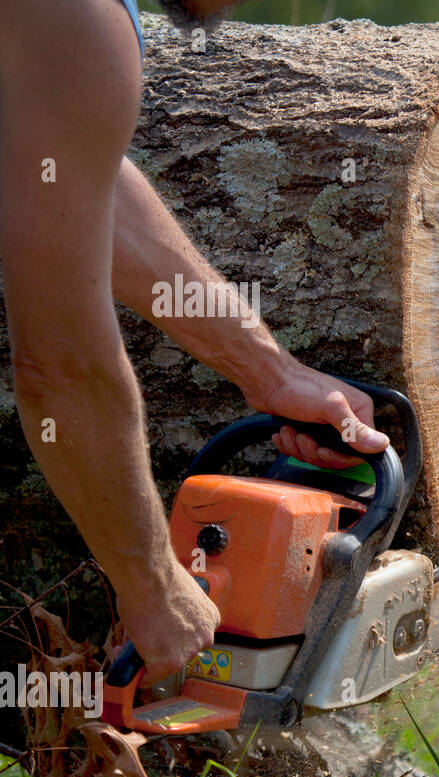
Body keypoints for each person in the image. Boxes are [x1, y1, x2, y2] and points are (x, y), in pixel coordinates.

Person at [0, 0, 390, 687]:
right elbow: (59, 367)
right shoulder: (77, 19)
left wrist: (265, 369)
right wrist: (150, 586)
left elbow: (69, 177)